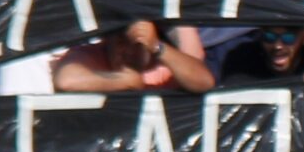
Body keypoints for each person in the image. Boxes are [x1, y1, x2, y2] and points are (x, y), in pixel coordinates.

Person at [52, 22, 216, 93]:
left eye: (133, 43)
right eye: (119, 41)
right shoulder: (93, 55)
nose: (125, 51)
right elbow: (67, 80)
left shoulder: (164, 64)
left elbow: (204, 81)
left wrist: (157, 47)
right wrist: (125, 81)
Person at [217, 27, 304, 87]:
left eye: (288, 38)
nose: (278, 46)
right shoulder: (241, 56)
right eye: (269, 37)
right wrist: (302, 82)